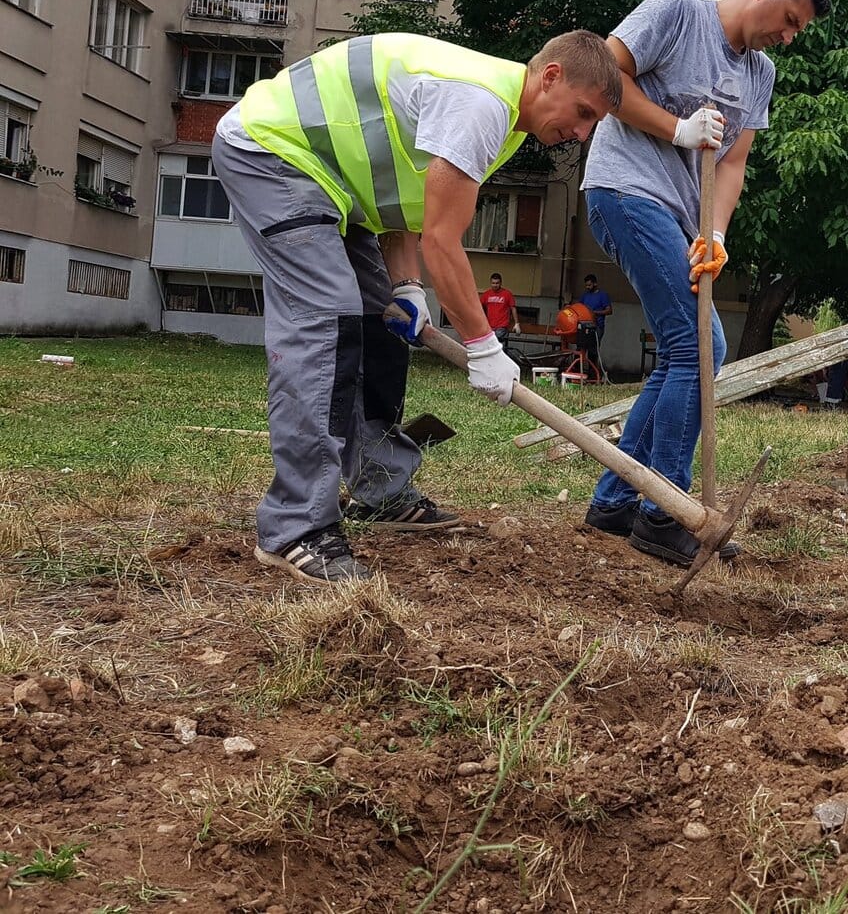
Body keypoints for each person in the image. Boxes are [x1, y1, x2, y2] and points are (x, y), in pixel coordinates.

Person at [212, 31, 621, 584]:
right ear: (549, 77)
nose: (580, 132)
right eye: (582, 112)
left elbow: (398, 198)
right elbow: (443, 242)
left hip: (338, 187)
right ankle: (295, 527)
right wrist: (483, 345)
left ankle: (379, 489)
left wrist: (404, 287)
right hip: (273, 153)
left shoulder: (497, 120)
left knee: (380, 323)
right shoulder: (480, 103)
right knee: (328, 319)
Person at [580, 0, 831, 567]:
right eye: (791, 20)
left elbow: (734, 162)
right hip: (623, 188)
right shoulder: (677, 13)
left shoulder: (760, 75)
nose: (790, 38)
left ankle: (617, 499)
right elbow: (602, 79)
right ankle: (664, 513)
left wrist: (715, 233)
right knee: (703, 347)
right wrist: (675, 128)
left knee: (681, 350)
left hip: (681, 215)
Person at [577, 273, 613, 378]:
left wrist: (595, 313)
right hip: (584, 326)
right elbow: (580, 307)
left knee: (593, 350)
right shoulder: (585, 295)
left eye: (589, 285)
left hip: (597, 326)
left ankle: (593, 375)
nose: (588, 287)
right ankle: (580, 372)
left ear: (595, 284)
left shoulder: (603, 295)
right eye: (586, 285)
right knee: (581, 347)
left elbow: (609, 310)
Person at [480, 272, 519, 349]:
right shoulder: (486, 294)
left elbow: (513, 308)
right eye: (493, 283)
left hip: (502, 326)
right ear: (490, 283)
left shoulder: (507, 294)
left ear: (500, 283)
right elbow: (479, 307)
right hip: (489, 327)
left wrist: (517, 323)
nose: (495, 285)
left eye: (497, 283)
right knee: (490, 347)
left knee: (498, 347)